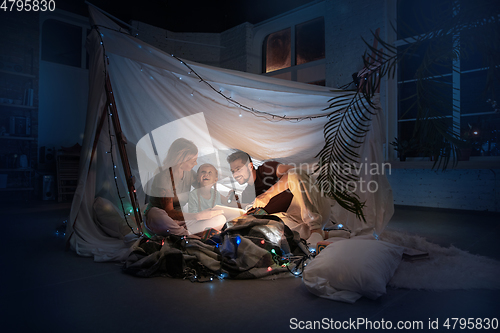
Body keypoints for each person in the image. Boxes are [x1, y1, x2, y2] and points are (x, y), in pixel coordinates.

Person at [227, 150, 330, 241]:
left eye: (238, 169)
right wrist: (235, 204)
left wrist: (267, 195)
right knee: (258, 225)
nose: (235, 174)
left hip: (312, 208)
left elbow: (294, 172)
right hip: (291, 220)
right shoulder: (246, 193)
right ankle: (324, 234)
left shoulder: (266, 169)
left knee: (295, 173)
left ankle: (315, 229)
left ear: (250, 166)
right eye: (233, 171)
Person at [144, 138, 223, 237]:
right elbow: (169, 212)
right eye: (193, 161)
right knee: (156, 214)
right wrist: (198, 216)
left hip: (182, 221)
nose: (196, 164)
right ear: (181, 160)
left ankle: (185, 233)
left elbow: (206, 189)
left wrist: (229, 201)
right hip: (162, 220)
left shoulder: (189, 173)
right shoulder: (164, 177)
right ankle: (188, 235)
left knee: (220, 219)